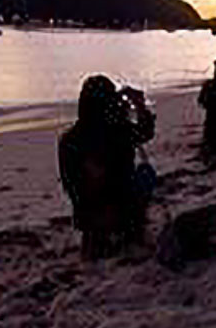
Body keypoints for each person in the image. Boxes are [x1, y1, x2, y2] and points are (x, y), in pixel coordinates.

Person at [58, 75, 156, 260]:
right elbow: (145, 131)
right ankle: (127, 226)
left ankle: (106, 231)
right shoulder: (119, 131)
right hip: (113, 207)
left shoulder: (70, 139)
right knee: (145, 174)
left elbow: (70, 185)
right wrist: (139, 104)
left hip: (86, 212)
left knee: (137, 177)